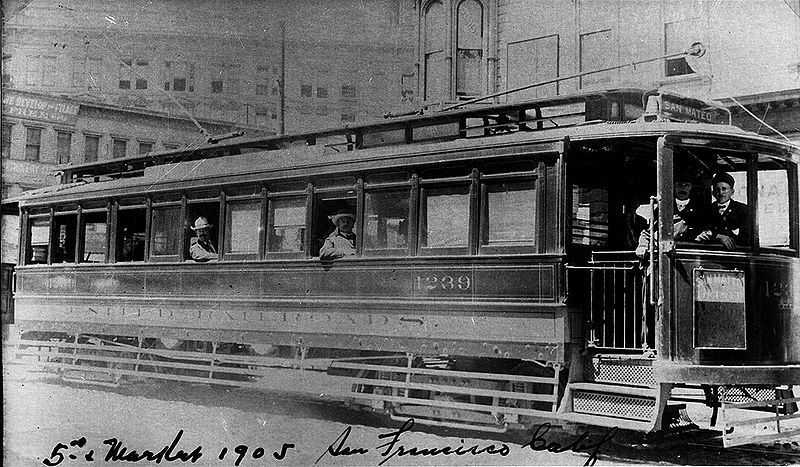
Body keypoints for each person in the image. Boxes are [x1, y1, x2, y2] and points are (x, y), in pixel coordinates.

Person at [635, 171, 707, 258]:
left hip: (690, 257)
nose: (683, 189)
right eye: (679, 185)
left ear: (691, 187)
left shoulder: (701, 209)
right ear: (673, 187)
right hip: (667, 257)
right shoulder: (663, 208)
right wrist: (642, 246)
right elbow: (649, 232)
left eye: (686, 185)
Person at [695, 172, 749, 250]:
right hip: (710, 254)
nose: (721, 193)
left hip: (735, 254)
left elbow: (745, 239)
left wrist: (713, 235)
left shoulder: (742, 210)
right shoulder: (706, 210)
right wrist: (718, 236)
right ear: (713, 193)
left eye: (724, 189)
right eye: (717, 189)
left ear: (732, 192)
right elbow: (698, 231)